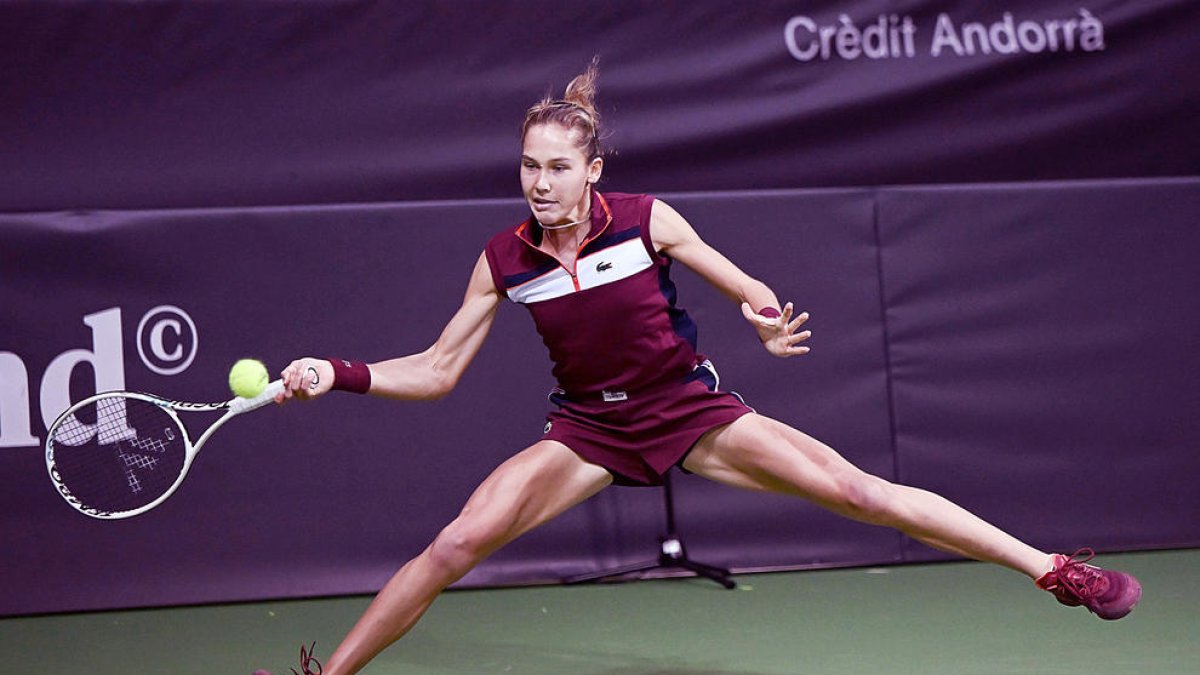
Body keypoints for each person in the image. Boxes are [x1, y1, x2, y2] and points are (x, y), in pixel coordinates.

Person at [265, 62, 1141, 675]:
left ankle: (1055, 568)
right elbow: (437, 366)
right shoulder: (505, 258)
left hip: (689, 410)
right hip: (588, 430)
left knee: (862, 493)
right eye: (529, 165)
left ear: (592, 171)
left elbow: (744, 284)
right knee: (455, 541)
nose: (539, 181)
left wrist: (763, 321)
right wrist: (333, 371)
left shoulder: (647, 220)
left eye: (557, 167)